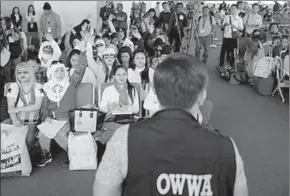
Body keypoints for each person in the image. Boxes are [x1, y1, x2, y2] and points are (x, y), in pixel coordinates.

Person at [93, 53, 248, 196]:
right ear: (202, 96)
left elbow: (103, 192)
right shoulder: (227, 148)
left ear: (155, 92)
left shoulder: (124, 138)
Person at [37, 55, 86, 167]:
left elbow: (80, 71)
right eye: (56, 71)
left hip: (64, 117)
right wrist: (46, 117)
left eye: (61, 70)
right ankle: (46, 154)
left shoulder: (70, 83)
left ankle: (73, 153)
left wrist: (84, 52)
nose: (59, 73)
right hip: (51, 118)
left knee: (59, 134)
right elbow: (44, 107)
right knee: (42, 133)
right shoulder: (46, 87)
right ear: (52, 72)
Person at [2, 62, 44, 150]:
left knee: (28, 141)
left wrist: (17, 109)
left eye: (25, 72)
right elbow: (10, 108)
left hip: (32, 120)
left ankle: (34, 141)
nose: (22, 75)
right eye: (19, 72)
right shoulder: (13, 86)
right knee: (4, 130)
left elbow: (37, 106)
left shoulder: (38, 86)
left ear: (31, 73)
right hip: (16, 118)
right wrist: (14, 119)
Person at [218, 4, 243, 69]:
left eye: (234, 9)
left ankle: (231, 65)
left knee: (232, 52)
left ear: (237, 10)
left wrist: (234, 26)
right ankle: (221, 64)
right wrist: (224, 25)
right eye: (232, 8)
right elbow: (222, 26)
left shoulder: (239, 19)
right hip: (226, 36)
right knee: (223, 51)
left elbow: (241, 28)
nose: (233, 10)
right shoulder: (227, 17)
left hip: (234, 37)